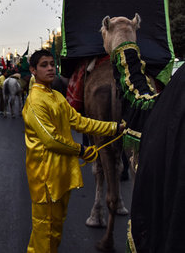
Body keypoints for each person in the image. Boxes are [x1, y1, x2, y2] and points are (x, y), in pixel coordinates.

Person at [22, 49, 125, 252]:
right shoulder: (35, 101)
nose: (51, 68)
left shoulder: (57, 98)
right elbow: (51, 140)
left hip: (61, 175)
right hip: (45, 178)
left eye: (52, 64)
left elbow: (80, 122)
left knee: (56, 230)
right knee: (44, 233)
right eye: (44, 65)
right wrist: (81, 150)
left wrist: (113, 127)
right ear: (33, 70)